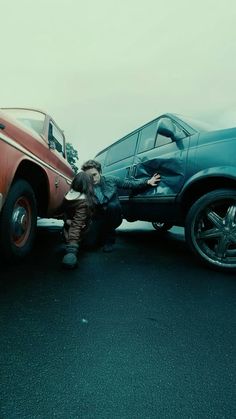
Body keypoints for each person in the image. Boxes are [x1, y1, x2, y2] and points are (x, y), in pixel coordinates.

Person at [81, 159, 161, 252]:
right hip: (98, 218)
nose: (92, 179)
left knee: (112, 205)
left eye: (94, 175)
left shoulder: (111, 180)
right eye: (89, 176)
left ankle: (110, 238)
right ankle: (101, 235)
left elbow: (130, 184)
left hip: (113, 215)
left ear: (100, 172)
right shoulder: (85, 187)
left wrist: (148, 182)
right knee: (89, 244)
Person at [60, 171, 96, 269]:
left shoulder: (67, 195)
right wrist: (71, 250)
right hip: (80, 231)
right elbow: (77, 225)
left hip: (68, 229)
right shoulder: (84, 201)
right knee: (91, 245)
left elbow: (63, 212)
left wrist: (66, 219)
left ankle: (69, 240)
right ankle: (74, 246)